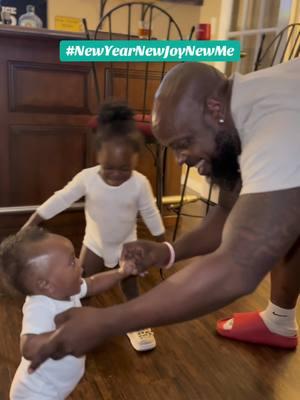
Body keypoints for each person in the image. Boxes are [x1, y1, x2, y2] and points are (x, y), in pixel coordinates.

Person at [26, 58, 300, 371]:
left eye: (184, 144)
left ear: (214, 109)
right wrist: (167, 251)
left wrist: (106, 321)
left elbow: (238, 267)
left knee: (279, 220)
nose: (181, 160)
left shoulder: (276, 130)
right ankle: (279, 321)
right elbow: (228, 209)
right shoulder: (241, 107)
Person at [21, 102, 165, 352]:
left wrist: (162, 241)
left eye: (124, 169)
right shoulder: (87, 178)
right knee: (83, 286)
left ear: (135, 161)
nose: (116, 175)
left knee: (130, 286)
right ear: (98, 157)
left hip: (127, 244)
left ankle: (136, 323)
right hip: (95, 244)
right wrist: (36, 218)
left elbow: (150, 211)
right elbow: (62, 197)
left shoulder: (140, 183)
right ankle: (80, 325)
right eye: (109, 168)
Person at [0, 227, 135, 400]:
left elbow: (93, 283)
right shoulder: (40, 306)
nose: (79, 262)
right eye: (71, 261)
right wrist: (66, 334)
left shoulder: (66, 290)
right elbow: (28, 347)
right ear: (46, 285)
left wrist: (121, 272)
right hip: (37, 394)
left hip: (55, 389)